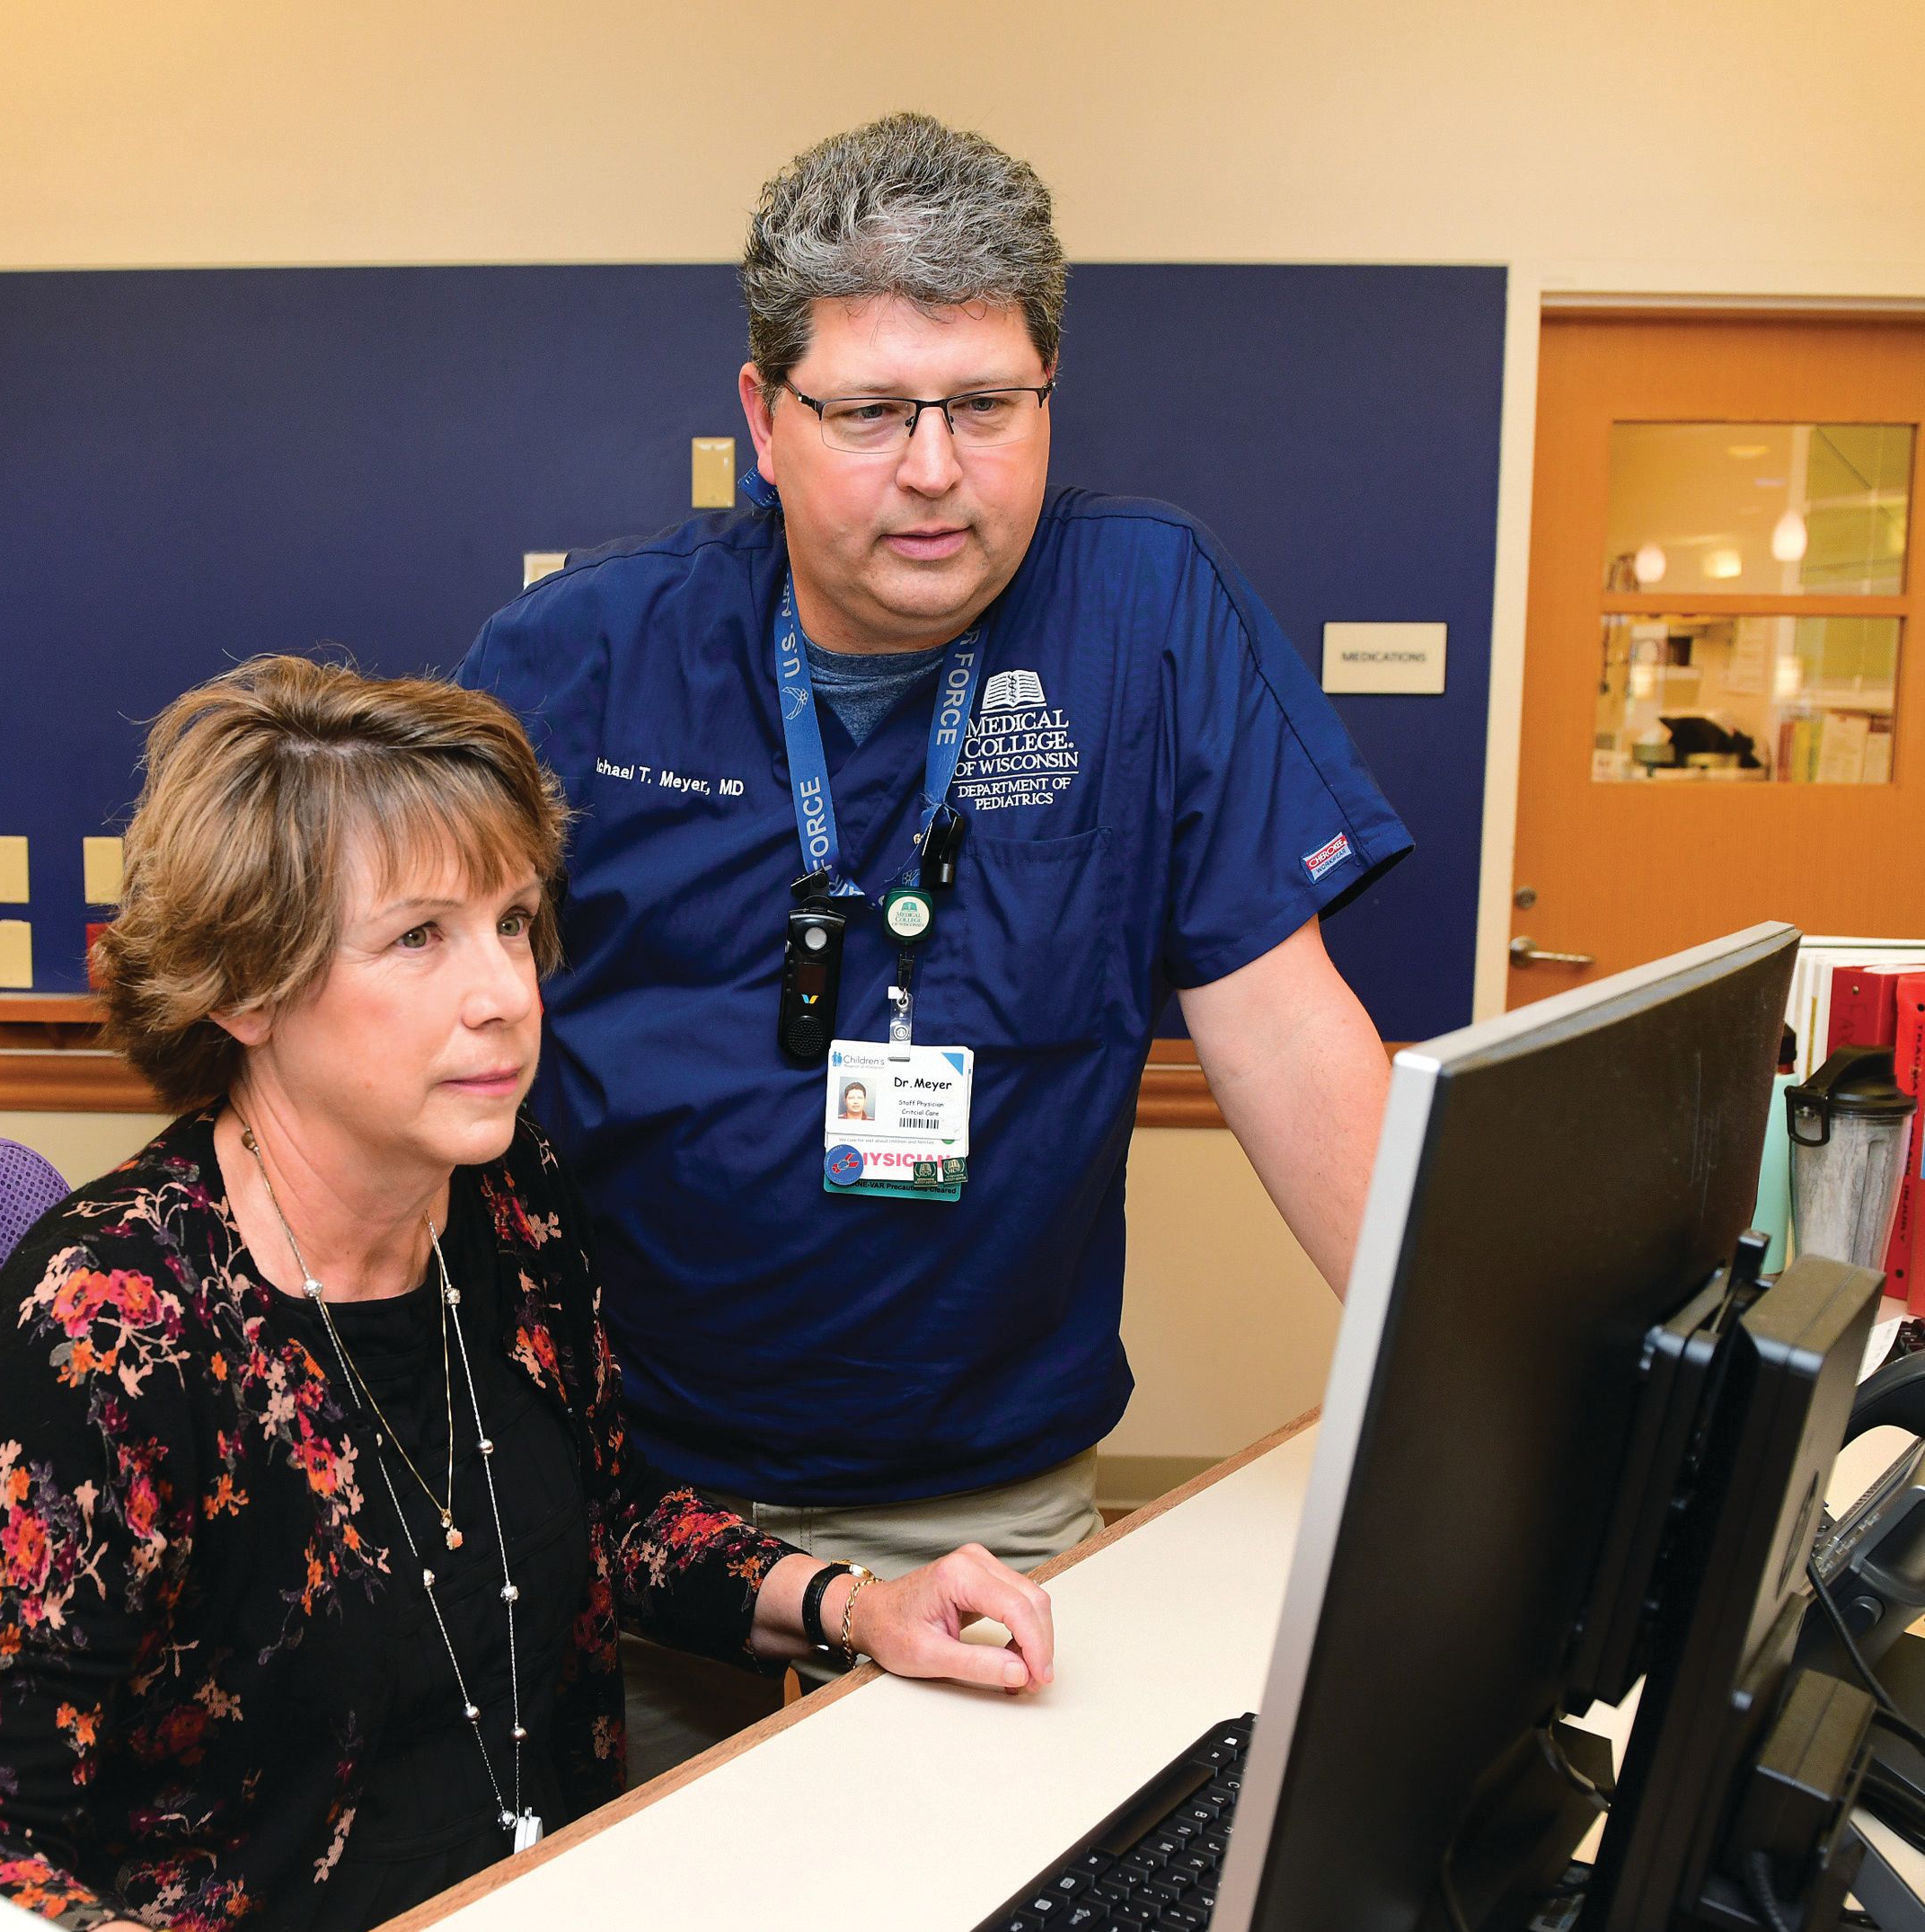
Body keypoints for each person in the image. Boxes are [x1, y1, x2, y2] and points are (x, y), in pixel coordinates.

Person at [0, 656, 1055, 1932]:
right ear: (242, 982)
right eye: (418, 937)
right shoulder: (119, 1315)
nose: (504, 993)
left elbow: (605, 1518)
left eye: (512, 924)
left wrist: (856, 1608)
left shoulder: (507, 1203)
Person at [457, 114, 1411, 1770]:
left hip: (999, 1515)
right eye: (871, 409)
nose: (933, 465)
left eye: (984, 404)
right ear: (763, 418)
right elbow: (428, 1047)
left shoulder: (1145, 612)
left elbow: (1285, 1030)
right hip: (648, 1511)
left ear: (1049, 397)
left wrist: (1502, 1385)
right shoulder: (580, 658)